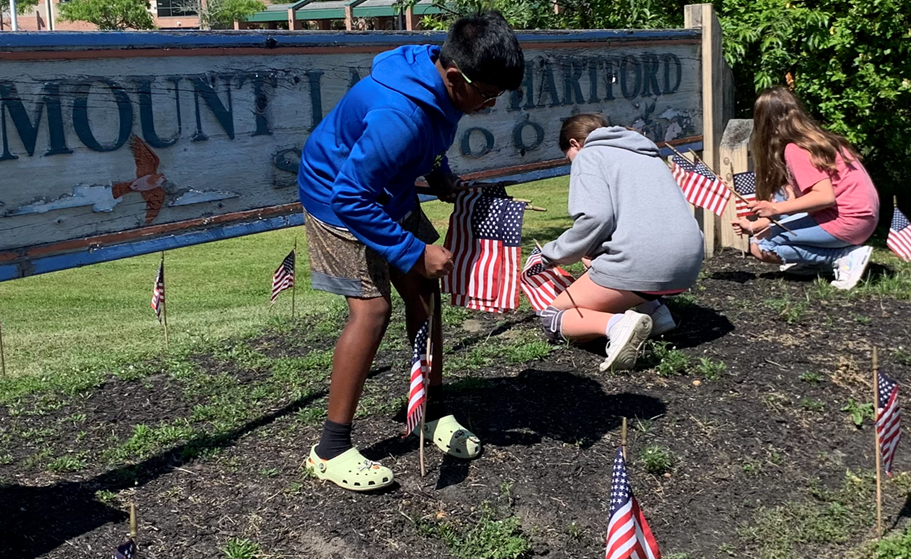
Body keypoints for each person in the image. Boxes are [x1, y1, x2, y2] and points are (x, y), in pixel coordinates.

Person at [296, 11, 525, 491]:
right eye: (487, 94)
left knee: (424, 289)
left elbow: (430, 136)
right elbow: (349, 196)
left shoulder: (438, 80)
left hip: (385, 189)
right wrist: (413, 251)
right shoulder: (399, 114)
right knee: (372, 311)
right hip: (336, 201)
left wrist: (438, 173)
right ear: (456, 76)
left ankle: (430, 408)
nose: (490, 103)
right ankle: (330, 448)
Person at [535, 114, 705, 372]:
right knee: (600, 264)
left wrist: (552, 255)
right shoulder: (648, 155)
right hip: (689, 260)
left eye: (567, 156)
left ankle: (617, 325)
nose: (570, 163)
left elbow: (595, 218)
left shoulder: (590, 155)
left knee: (551, 318)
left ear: (574, 144)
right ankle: (656, 313)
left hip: (642, 262)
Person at [732, 86, 880, 289]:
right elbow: (793, 198)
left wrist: (774, 210)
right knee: (783, 193)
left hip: (847, 221)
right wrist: (760, 223)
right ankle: (816, 262)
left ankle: (840, 258)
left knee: (760, 246)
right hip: (864, 218)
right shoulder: (821, 139)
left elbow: (824, 197)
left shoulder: (797, 149)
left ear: (765, 123)